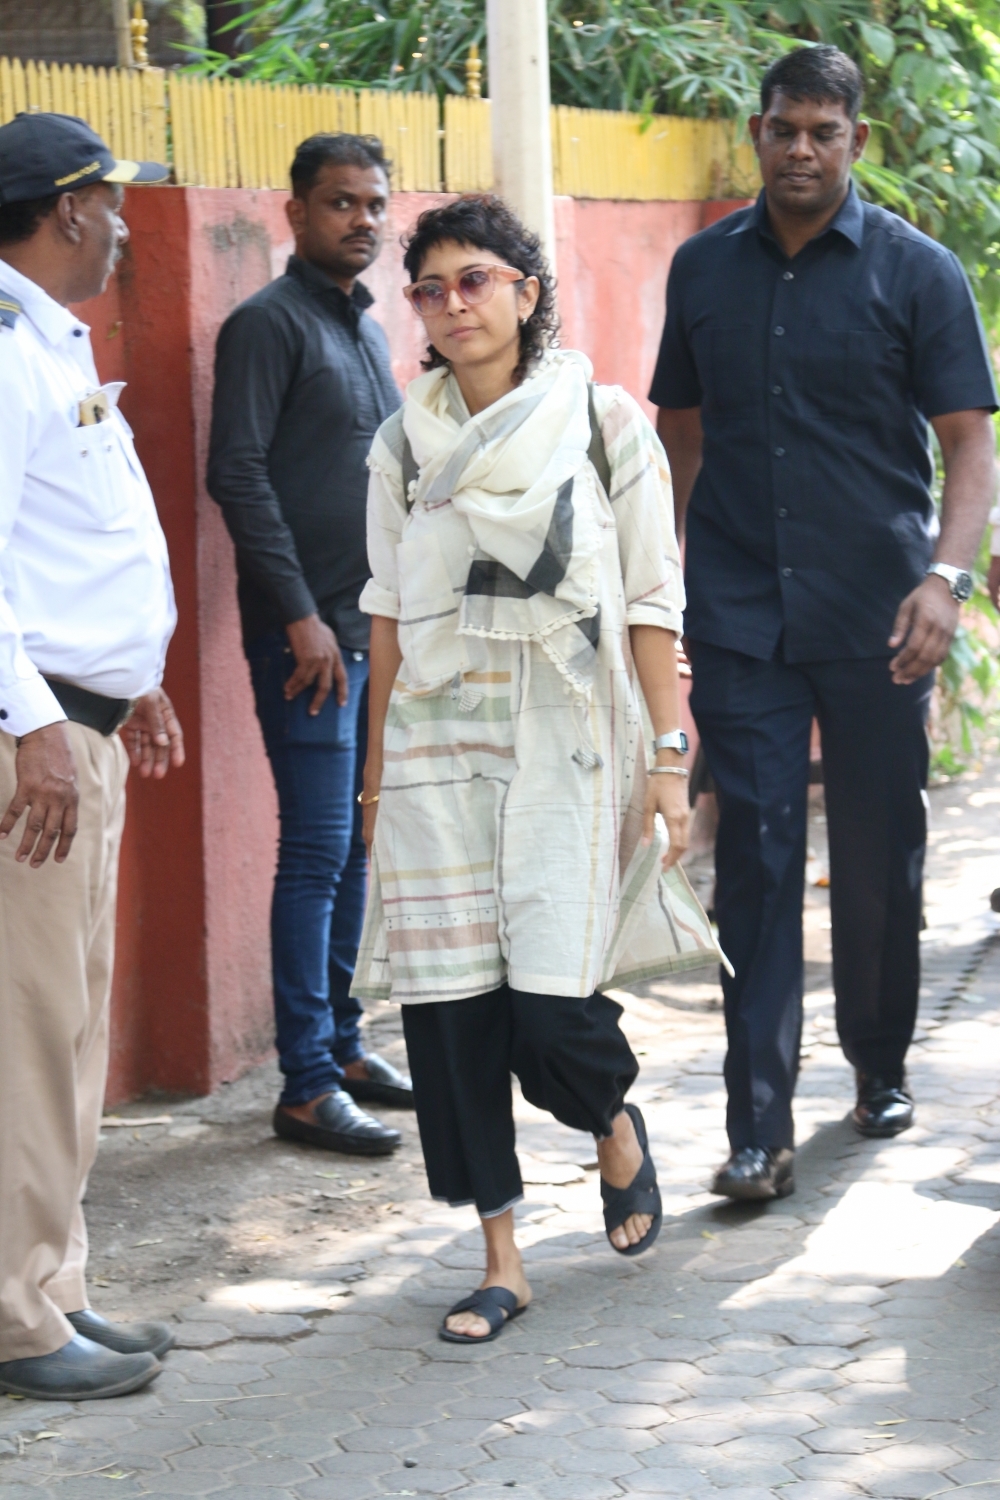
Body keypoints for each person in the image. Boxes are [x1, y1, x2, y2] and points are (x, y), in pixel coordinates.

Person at [352, 194, 724, 1342]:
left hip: (569, 741)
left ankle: (612, 1126)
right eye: (431, 286)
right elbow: (383, 617)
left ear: (525, 289)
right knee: (452, 1011)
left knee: (552, 1013)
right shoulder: (402, 445)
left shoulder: (602, 423)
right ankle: (500, 1256)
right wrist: (371, 781)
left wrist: (668, 755)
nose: (453, 302)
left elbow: (653, 601)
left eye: (476, 278)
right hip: (436, 751)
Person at [652, 46, 998, 1202]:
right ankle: (758, 1129)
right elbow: (680, 434)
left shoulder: (917, 273)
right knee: (750, 861)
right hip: (743, 613)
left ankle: (879, 1060)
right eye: (784, 129)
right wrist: (672, 580)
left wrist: (946, 578)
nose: (802, 149)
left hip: (879, 613)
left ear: (855, 141)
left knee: (878, 853)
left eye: (824, 132)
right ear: (756, 133)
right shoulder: (701, 272)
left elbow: (967, 444)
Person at [0, 112, 185, 1400]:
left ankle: (52, 1284)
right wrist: (35, 723)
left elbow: (68, 552)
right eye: (112, 203)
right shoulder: (6, 350)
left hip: (82, 727)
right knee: (29, 1029)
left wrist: (136, 686)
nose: (123, 225)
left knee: (73, 1032)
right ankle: (14, 1319)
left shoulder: (46, 341)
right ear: (68, 207)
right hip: (34, 746)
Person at [207, 133, 412, 1158]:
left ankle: (343, 1042)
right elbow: (236, 475)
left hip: (371, 632)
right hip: (308, 643)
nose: (361, 221)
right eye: (340, 203)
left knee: (360, 847)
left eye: (374, 203)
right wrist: (298, 616)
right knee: (318, 850)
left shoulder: (365, 332)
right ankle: (303, 1083)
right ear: (293, 212)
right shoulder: (265, 326)